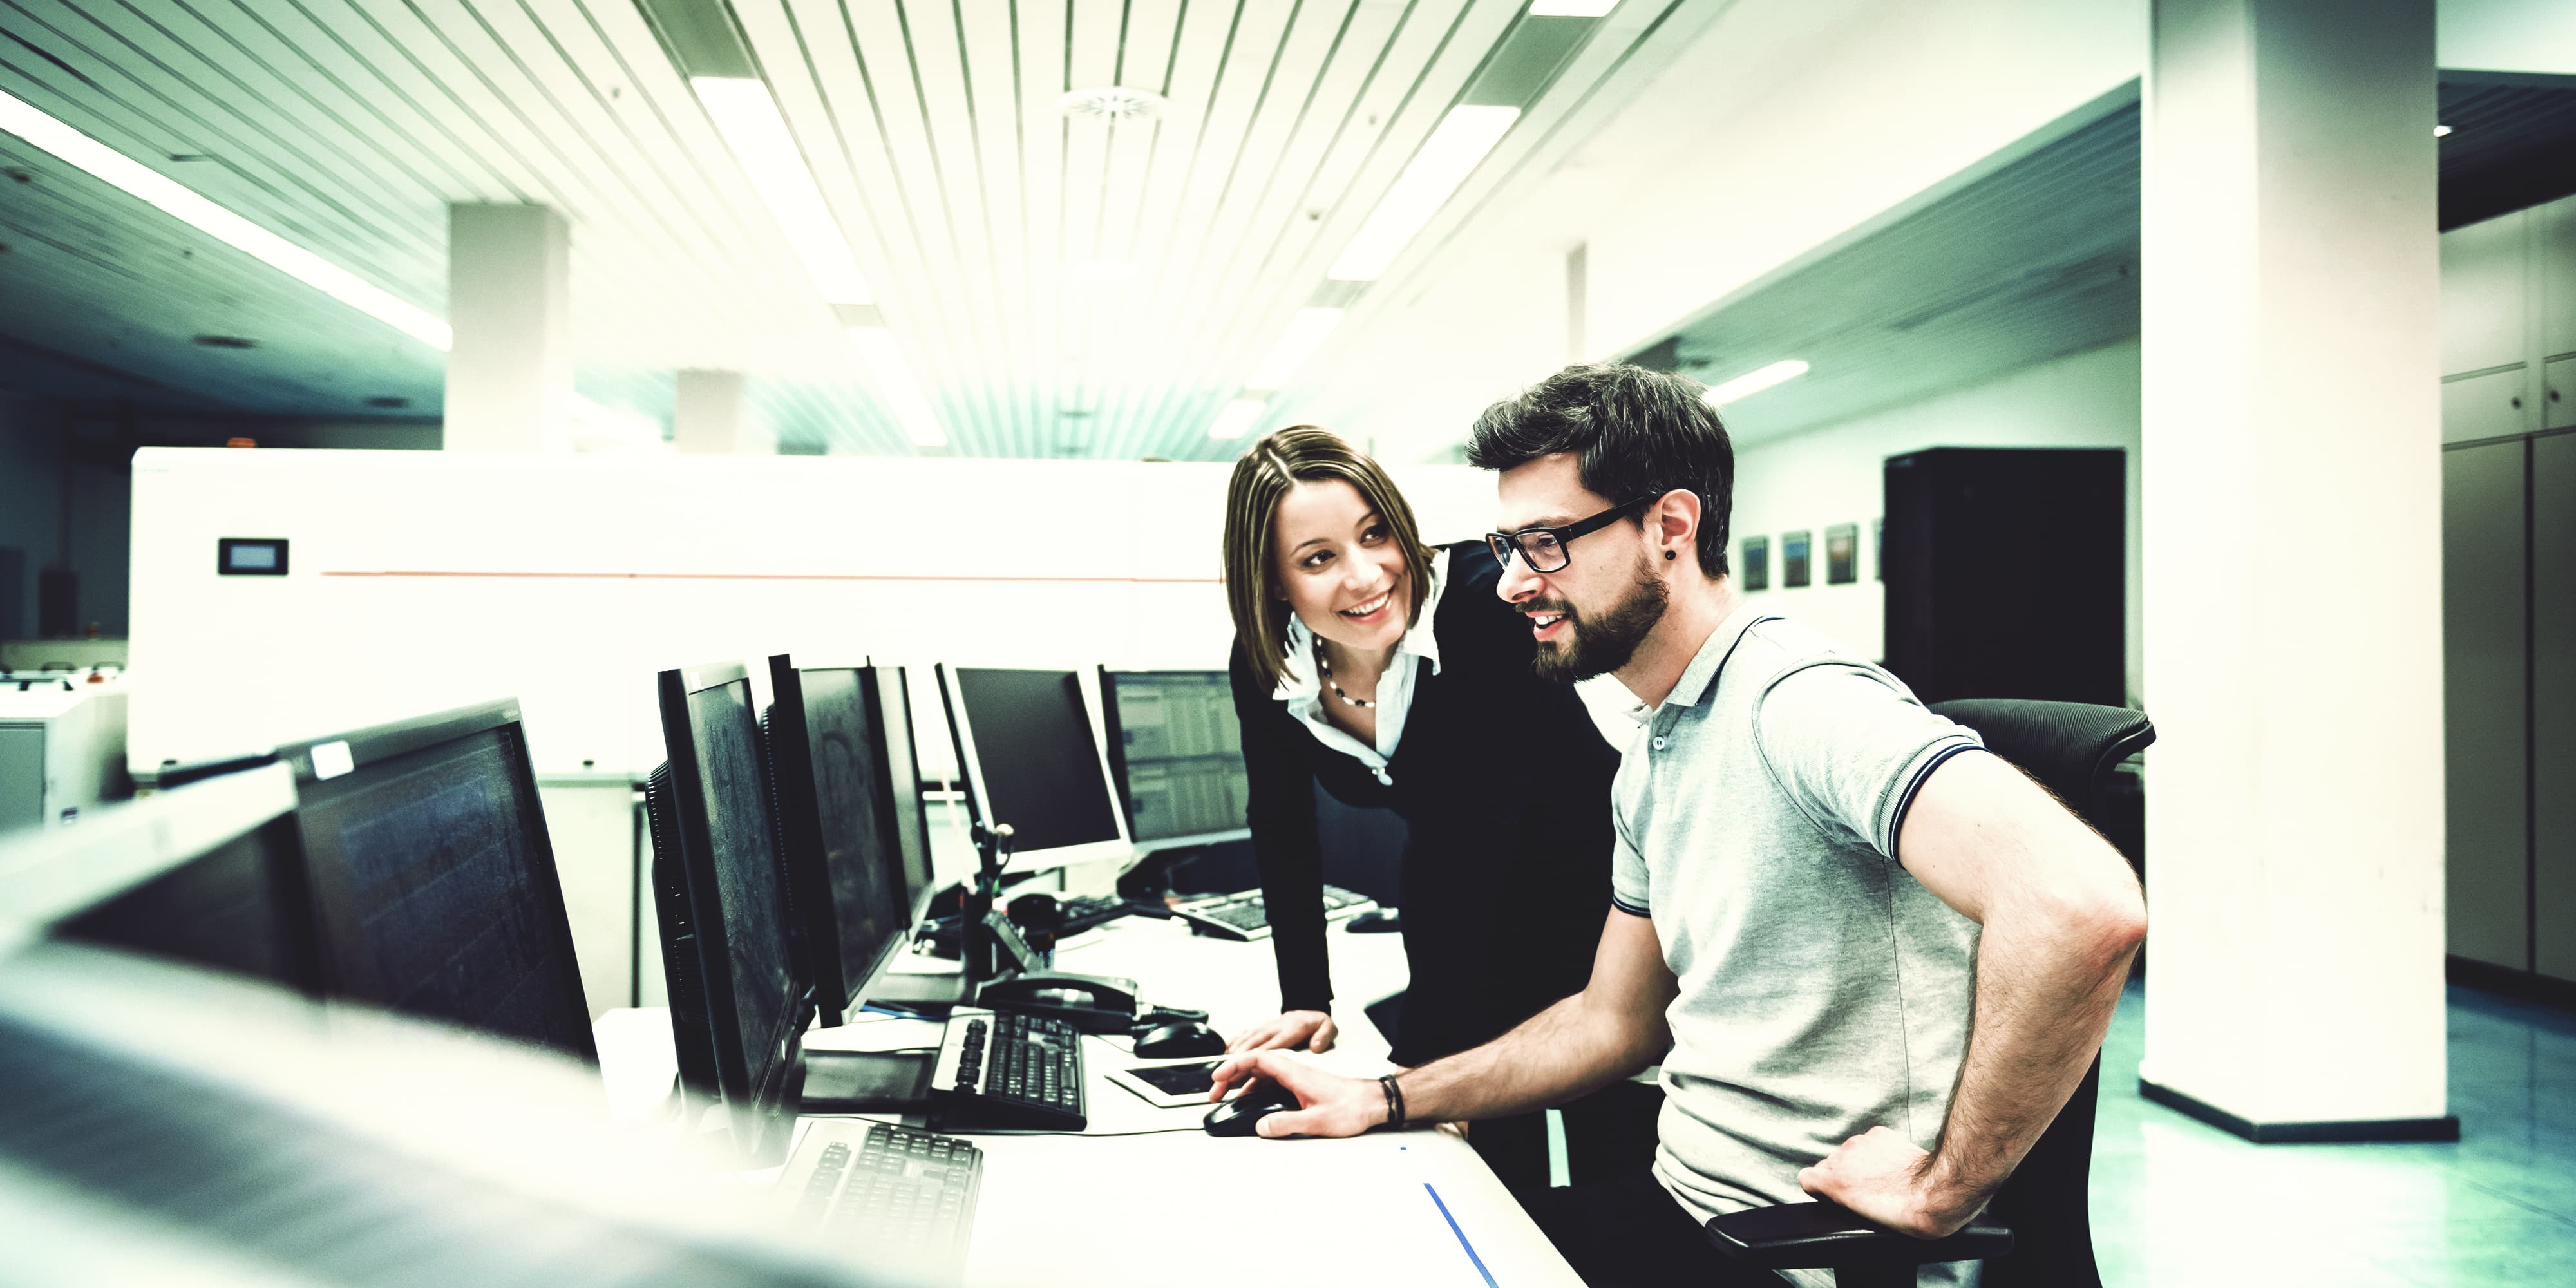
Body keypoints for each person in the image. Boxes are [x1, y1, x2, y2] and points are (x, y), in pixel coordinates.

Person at [1208, 368, 2148, 1288]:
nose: (1506, 585)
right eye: (1510, 545)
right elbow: (1610, 1022)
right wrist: (1383, 1097)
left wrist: (1947, 1190)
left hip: (1793, 1246)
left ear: (1670, 528)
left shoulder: (1799, 702)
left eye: (1544, 544)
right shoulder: (1660, 745)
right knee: (1351, 1243)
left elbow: (2081, 905)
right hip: (1682, 1211)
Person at [1216, 425, 1659, 1195]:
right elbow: (1281, 826)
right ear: (1274, 581)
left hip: (1597, 884)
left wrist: (1413, 1067)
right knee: (1479, 1156)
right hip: (1466, 886)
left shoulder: (1483, 605)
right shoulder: (1271, 658)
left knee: (1598, 1140)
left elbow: (1476, 834)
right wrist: (1304, 998)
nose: (1364, 576)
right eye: (1317, 558)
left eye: (1374, 533)